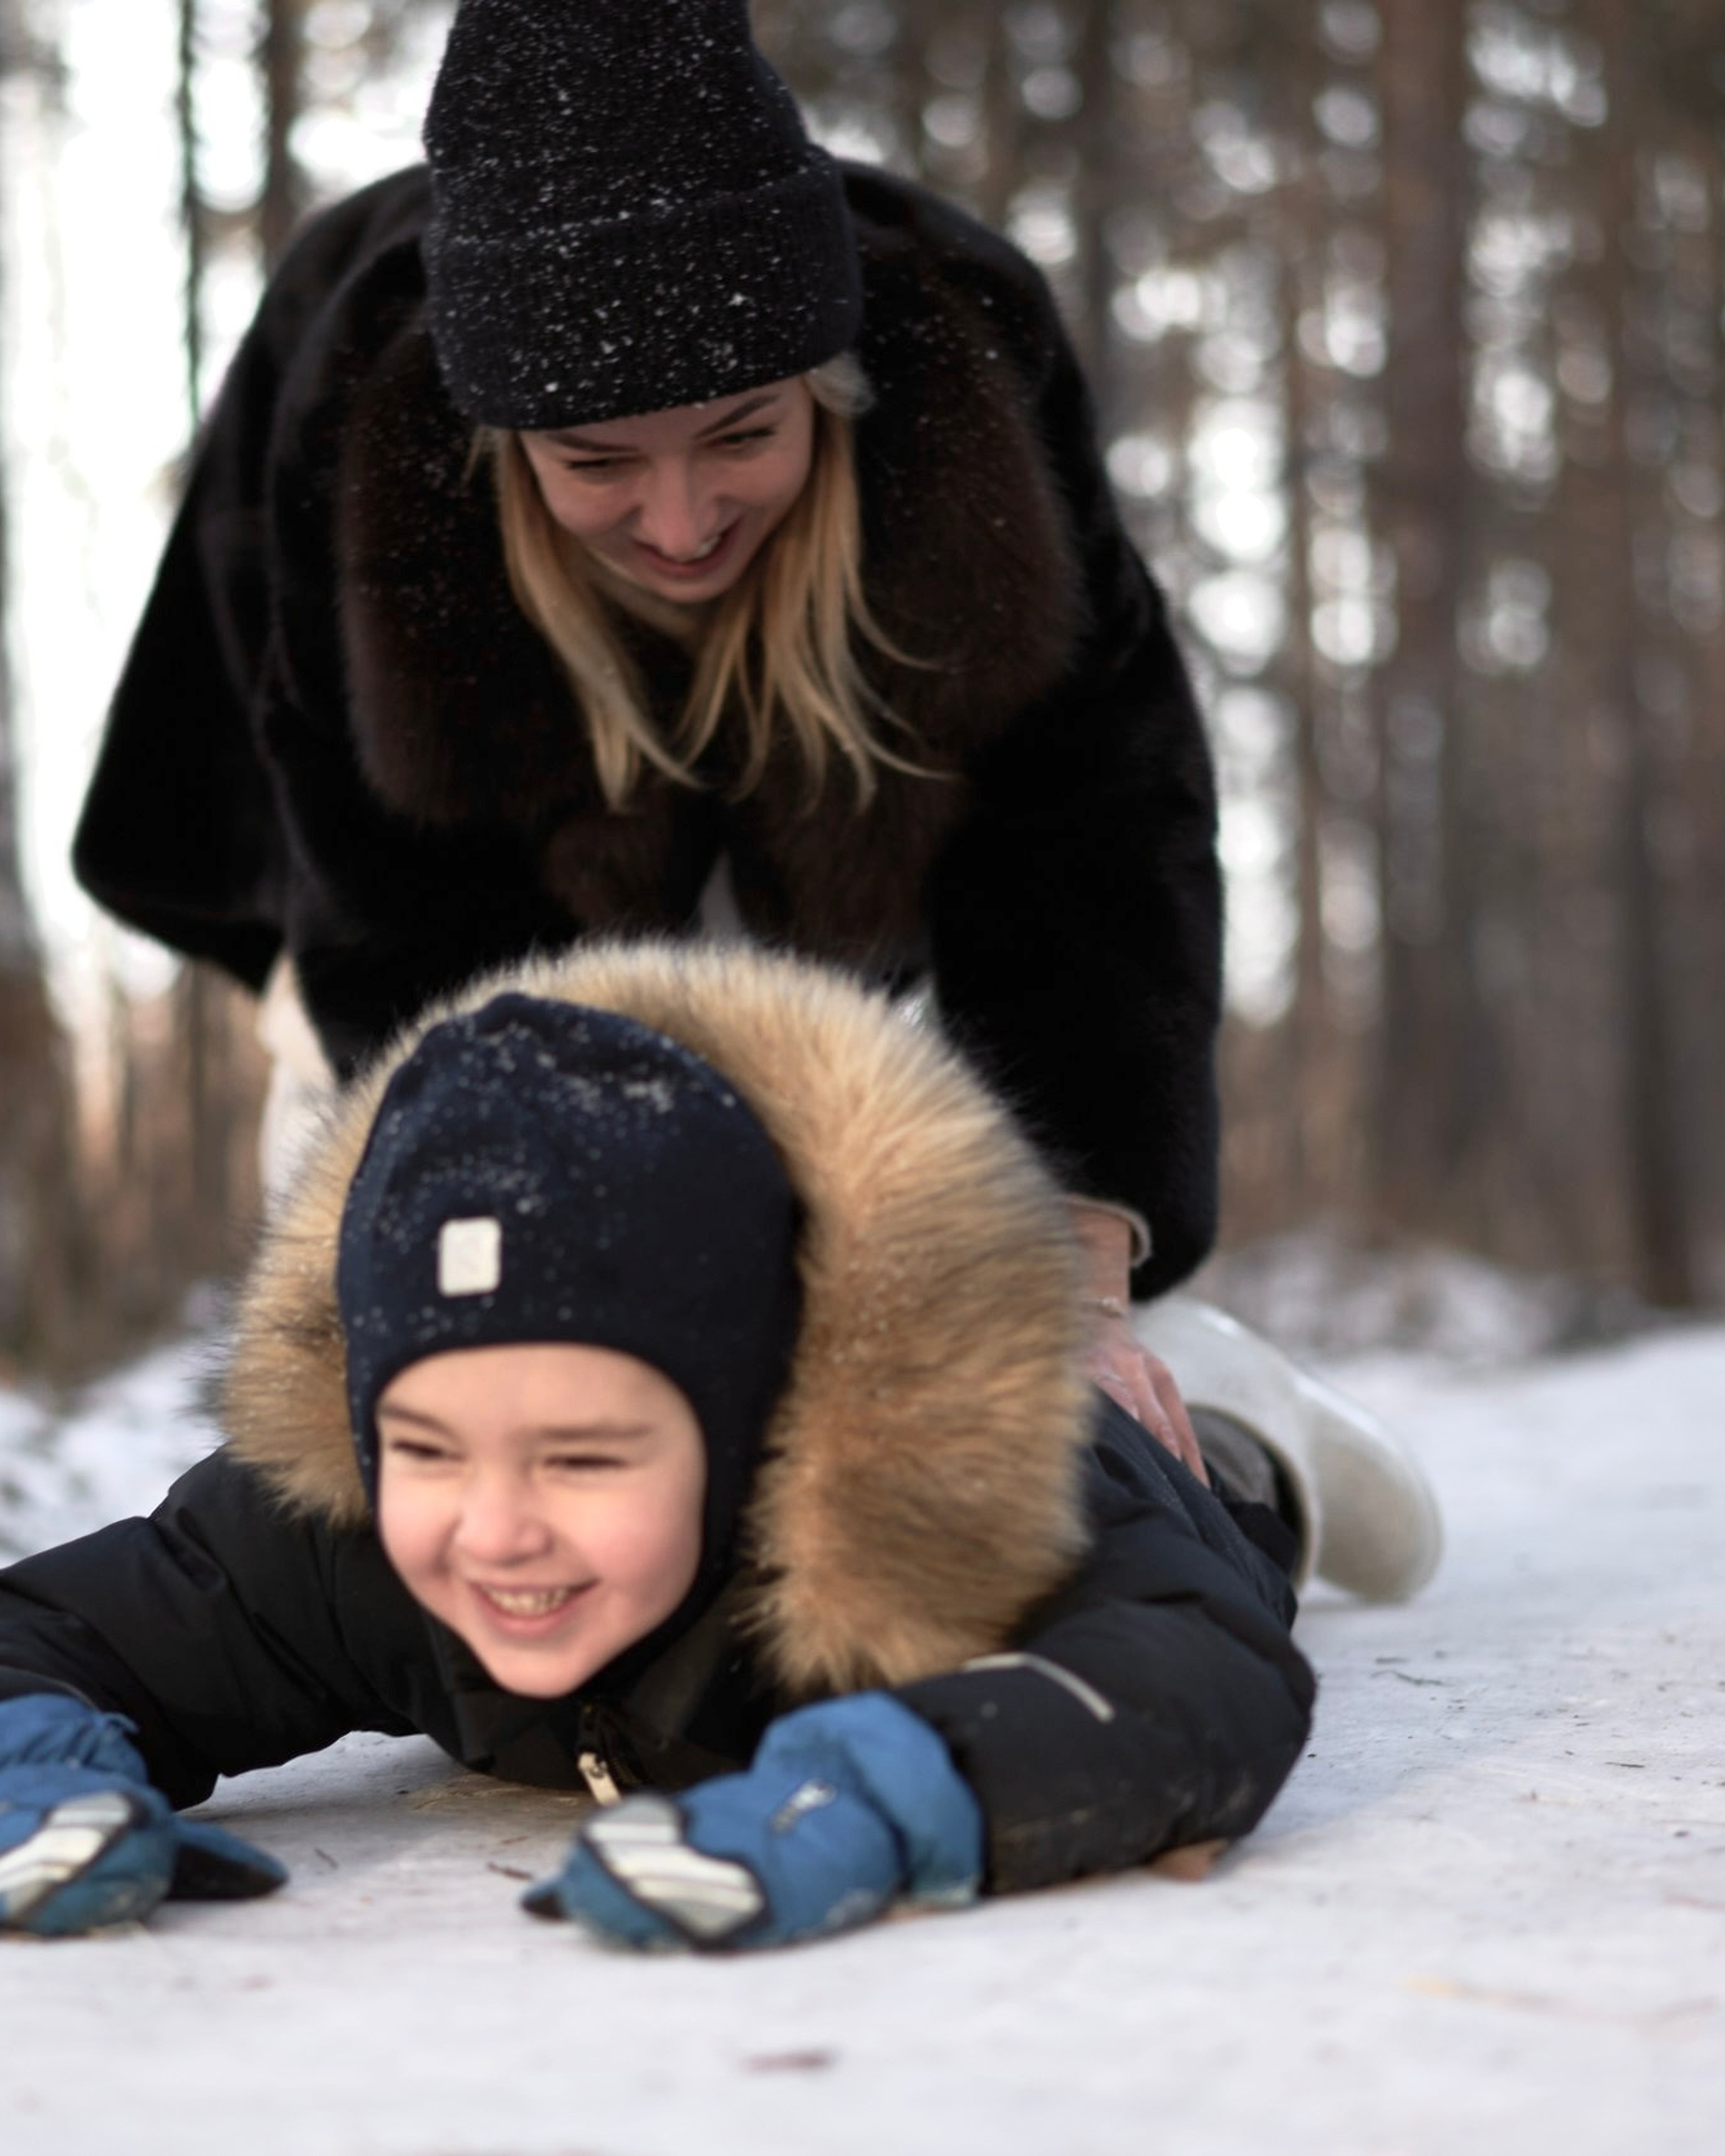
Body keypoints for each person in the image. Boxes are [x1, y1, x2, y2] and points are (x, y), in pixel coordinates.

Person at [72, 0, 1223, 1421]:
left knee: (924, 1270)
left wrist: (1069, 1280)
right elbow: (413, 947)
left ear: (832, 388)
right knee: (465, 1333)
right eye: (596, 460)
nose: (679, 522)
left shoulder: (964, 361)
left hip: (849, 785)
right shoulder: (377, 411)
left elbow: (1096, 838)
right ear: (499, 445)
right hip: (431, 871)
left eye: (743, 433)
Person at [0, 941, 1317, 1948]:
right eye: (429, 1447)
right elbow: (58, 1630)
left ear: (744, 1425)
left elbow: (1195, 1665)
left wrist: (890, 1789)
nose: (495, 1525)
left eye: (582, 1458)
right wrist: (34, 1760)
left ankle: (1255, 1427)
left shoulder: (949, 1498)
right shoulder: (341, 1534)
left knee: (1224, 1499)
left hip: (1154, 1468)